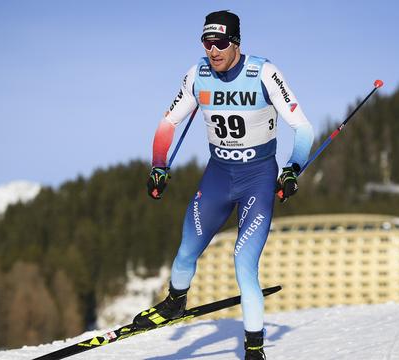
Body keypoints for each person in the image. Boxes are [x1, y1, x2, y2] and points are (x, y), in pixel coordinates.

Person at [134, 10, 314, 360]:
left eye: (220, 43)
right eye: (207, 43)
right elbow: (168, 122)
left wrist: (292, 168)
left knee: (243, 263)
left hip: (257, 179)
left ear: (236, 43)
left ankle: (254, 349)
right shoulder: (197, 74)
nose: (212, 51)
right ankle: (174, 302)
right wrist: (159, 165)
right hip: (218, 175)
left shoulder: (264, 72)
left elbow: (303, 128)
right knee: (187, 248)